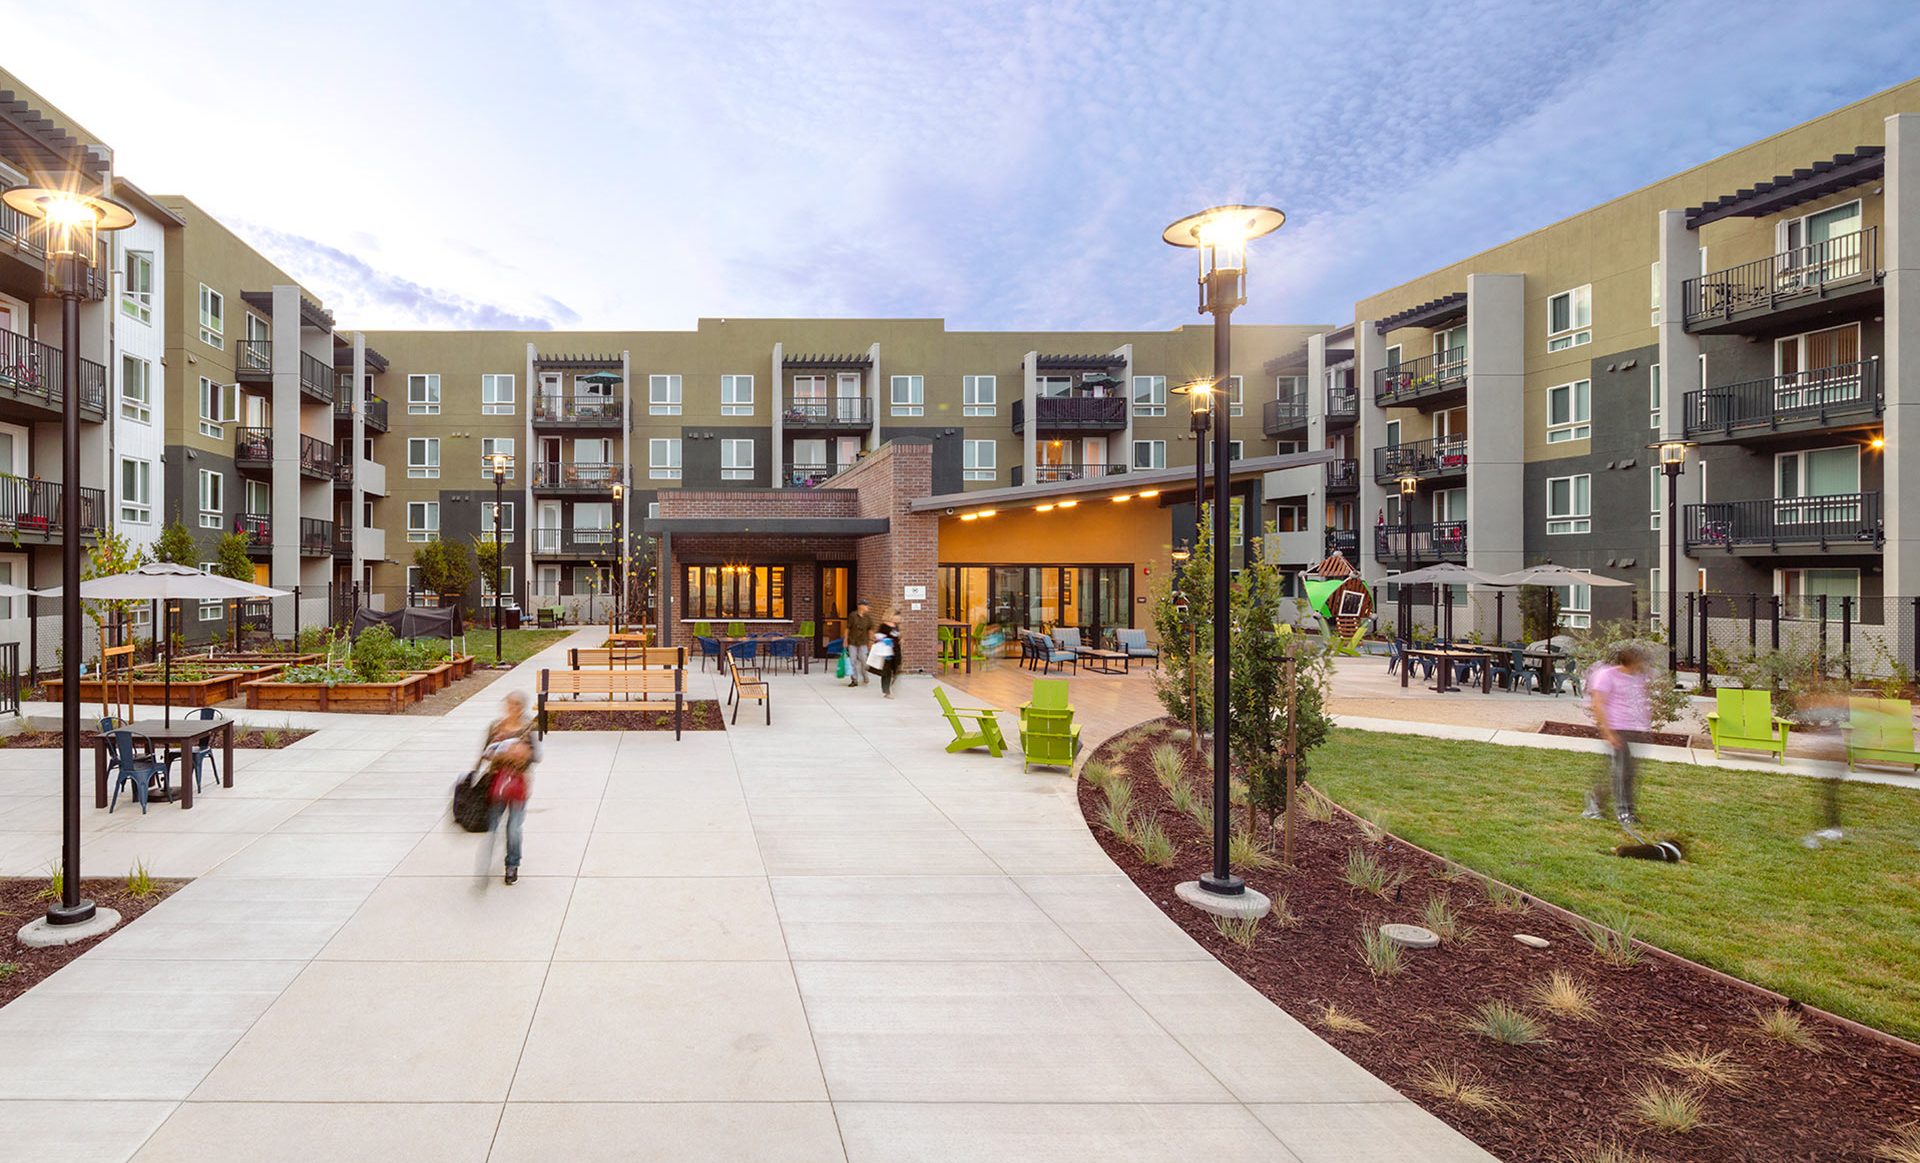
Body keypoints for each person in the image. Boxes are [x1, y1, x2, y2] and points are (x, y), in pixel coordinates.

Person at [1585, 643, 1651, 826]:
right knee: (1622, 773)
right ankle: (1624, 812)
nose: (1643, 665)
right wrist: (1607, 731)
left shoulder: (1637, 678)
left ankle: (1594, 804)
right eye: (1640, 661)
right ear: (1631, 661)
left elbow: (1638, 703)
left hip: (1633, 730)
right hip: (1617, 729)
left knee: (1623, 772)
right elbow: (1598, 703)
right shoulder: (1606, 675)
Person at [478, 691, 540, 884]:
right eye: (508, 704)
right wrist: (501, 755)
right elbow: (485, 753)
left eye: (515, 705)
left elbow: (535, 757)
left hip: (518, 784)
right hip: (497, 782)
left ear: (521, 708)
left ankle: (512, 864)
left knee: (513, 828)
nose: (511, 708)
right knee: (493, 825)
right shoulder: (496, 727)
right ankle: (486, 864)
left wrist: (522, 754)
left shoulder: (528, 729)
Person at [845, 598, 875, 688]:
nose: (867, 607)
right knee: (852, 661)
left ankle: (865, 675)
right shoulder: (852, 615)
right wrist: (845, 640)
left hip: (863, 642)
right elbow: (847, 628)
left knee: (864, 661)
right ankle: (854, 680)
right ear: (860, 606)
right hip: (852, 641)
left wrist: (870, 641)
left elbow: (871, 629)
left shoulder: (868, 617)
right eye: (865, 605)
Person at [874, 620, 901, 698]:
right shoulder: (884, 626)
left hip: (896, 651)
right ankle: (887, 691)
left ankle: (892, 689)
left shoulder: (896, 625)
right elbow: (878, 637)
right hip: (887, 652)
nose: (899, 617)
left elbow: (897, 637)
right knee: (887, 671)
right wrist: (886, 641)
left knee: (896, 671)